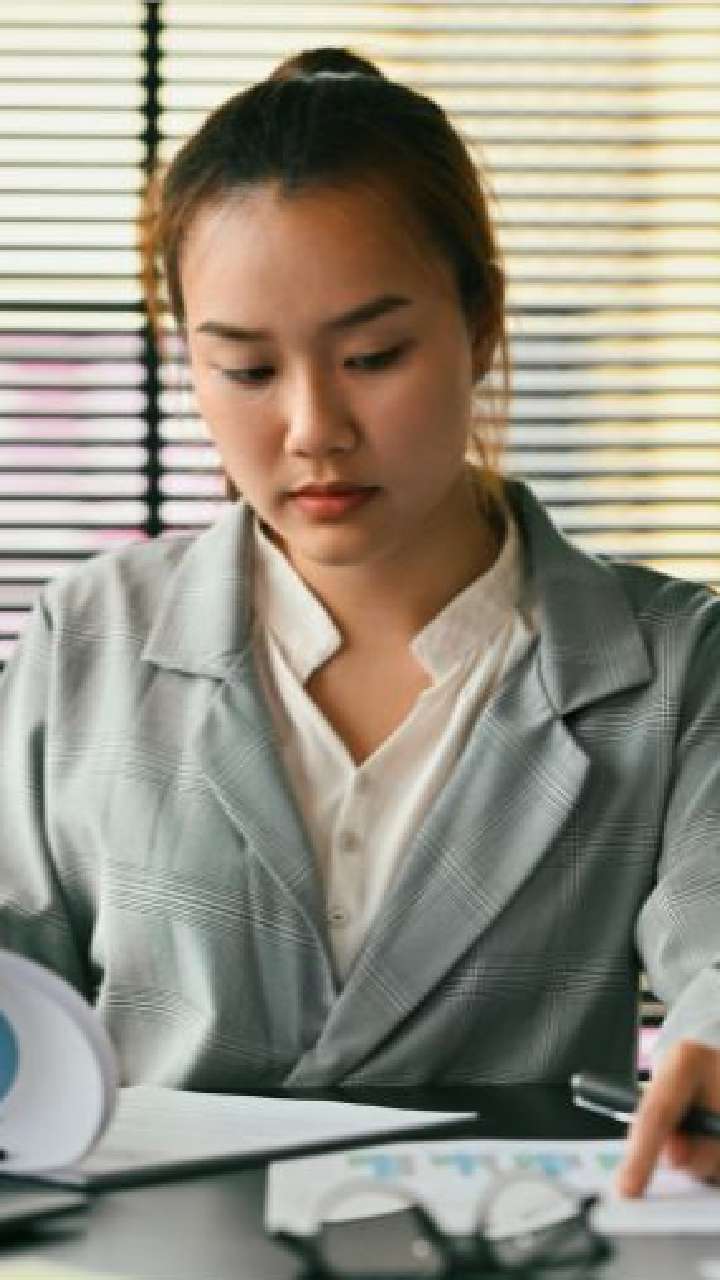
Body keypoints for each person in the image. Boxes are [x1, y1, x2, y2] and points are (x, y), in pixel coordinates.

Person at [1, 47, 719, 1197]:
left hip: (509, 1250)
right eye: (245, 368)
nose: (313, 428)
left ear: (481, 322)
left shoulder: (672, 663)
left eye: (374, 356)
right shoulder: (87, 635)